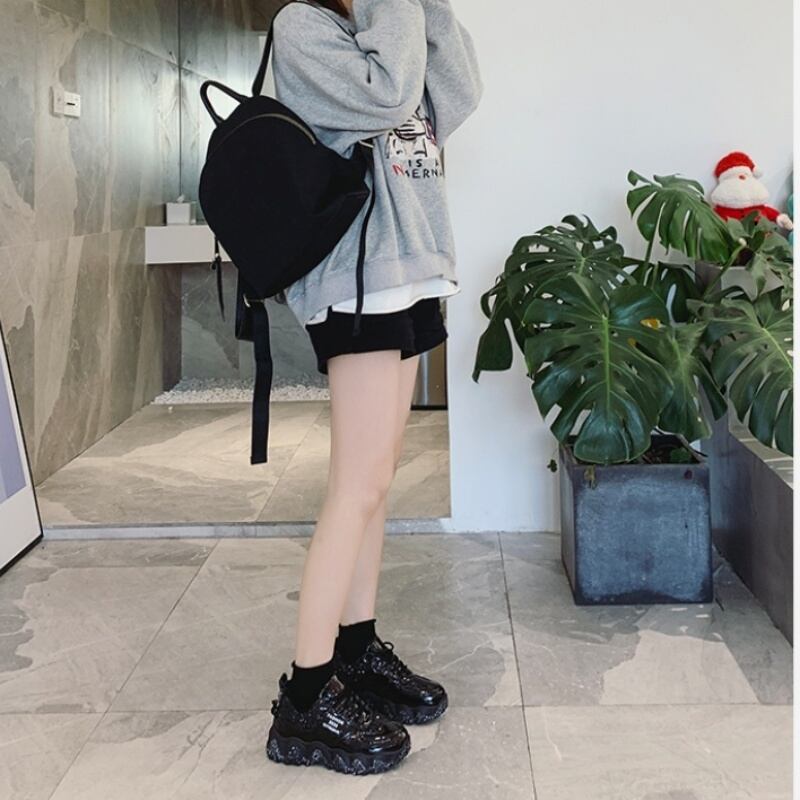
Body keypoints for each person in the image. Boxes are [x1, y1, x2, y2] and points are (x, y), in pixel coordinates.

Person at [265, 0, 482, 775]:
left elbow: (456, 92)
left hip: (410, 270)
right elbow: (391, 97)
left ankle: (355, 651)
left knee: (380, 480)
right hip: (356, 281)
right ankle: (305, 695)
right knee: (354, 485)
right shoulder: (303, 28)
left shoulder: (388, 27)